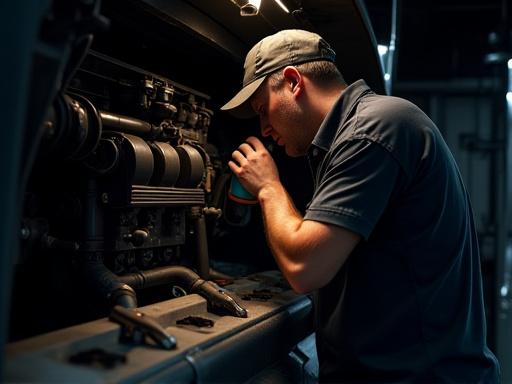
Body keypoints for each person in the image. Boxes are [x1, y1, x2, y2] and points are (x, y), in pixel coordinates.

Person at [221, 29, 500, 382]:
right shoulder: (355, 132)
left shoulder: (373, 130)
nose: (264, 128)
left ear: (293, 82)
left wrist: (268, 187)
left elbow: (304, 267)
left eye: (264, 109)